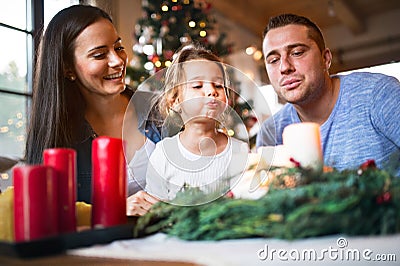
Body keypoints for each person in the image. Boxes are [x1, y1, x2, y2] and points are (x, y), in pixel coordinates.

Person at [25, 5, 160, 216]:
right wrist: (113, 211)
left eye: (118, 47)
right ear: (67, 68)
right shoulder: (59, 133)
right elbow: (46, 214)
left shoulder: (158, 109)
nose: (117, 61)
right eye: (99, 55)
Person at [256, 13, 400, 175]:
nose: (284, 67)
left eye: (296, 53)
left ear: (325, 59)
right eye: (274, 60)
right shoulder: (271, 133)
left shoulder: (379, 94)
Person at [145, 44, 249, 203]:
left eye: (218, 85)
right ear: (174, 101)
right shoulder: (163, 154)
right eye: (197, 85)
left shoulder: (240, 152)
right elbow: (152, 212)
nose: (211, 91)